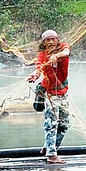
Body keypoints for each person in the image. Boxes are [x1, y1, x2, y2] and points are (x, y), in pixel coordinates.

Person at [29, 29, 71, 162]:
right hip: (50, 93)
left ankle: (48, 147)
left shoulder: (63, 47)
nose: (51, 42)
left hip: (62, 92)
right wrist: (34, 75)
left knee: (64, 124)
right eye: (48, 40)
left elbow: (66, 52)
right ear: (44, 43)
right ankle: (51, 155)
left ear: (57, 40)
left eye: (53, 39)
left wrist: (57, 56)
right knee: (51, 123)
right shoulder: (42, 55)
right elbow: (38, 68)